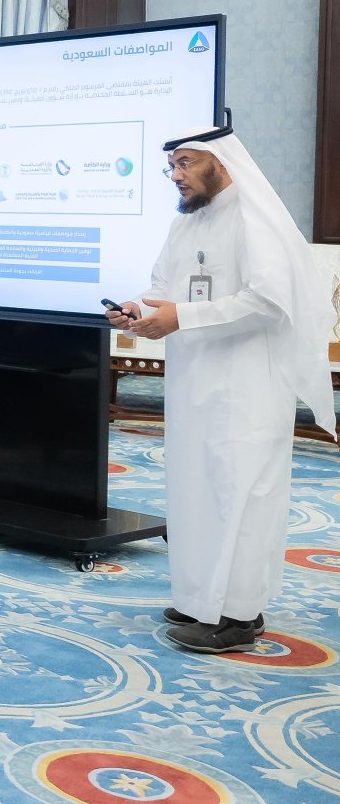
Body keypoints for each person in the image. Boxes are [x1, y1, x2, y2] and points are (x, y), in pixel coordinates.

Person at [107, 121, 336, 652]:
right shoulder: (186, 223)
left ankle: (237, 614)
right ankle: (200, 599)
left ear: (221, 161)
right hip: (195, 379)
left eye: (186, 163)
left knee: (241, 492)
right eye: (171, 166)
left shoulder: (255, 222)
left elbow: (268, 302)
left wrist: (181, 317)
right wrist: (136, 310)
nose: (176, 175)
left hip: (248, 385)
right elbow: (163, 288)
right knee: (195, 487)